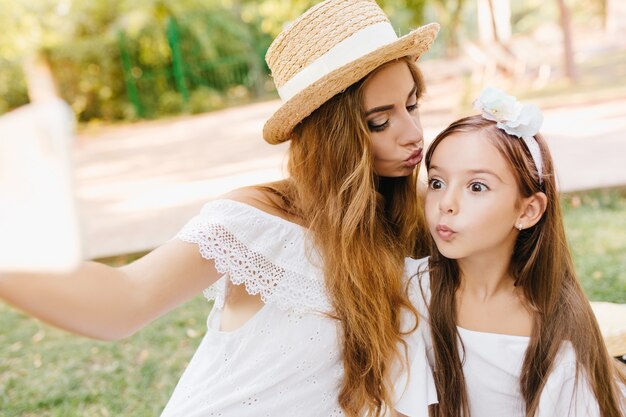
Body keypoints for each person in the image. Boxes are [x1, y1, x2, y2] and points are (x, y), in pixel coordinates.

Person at [0, 1, 440, 416]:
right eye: (379, 121)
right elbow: (124, 299)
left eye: (412, 105)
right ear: (332, 135)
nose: (412, 132)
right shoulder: (255, 222)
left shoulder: (417, 215)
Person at [406, 87, 626, 416]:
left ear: (528, 211)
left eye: (476, 187)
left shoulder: (554, 334)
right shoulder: (415, 289)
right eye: (437, 182)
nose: (445, 204)